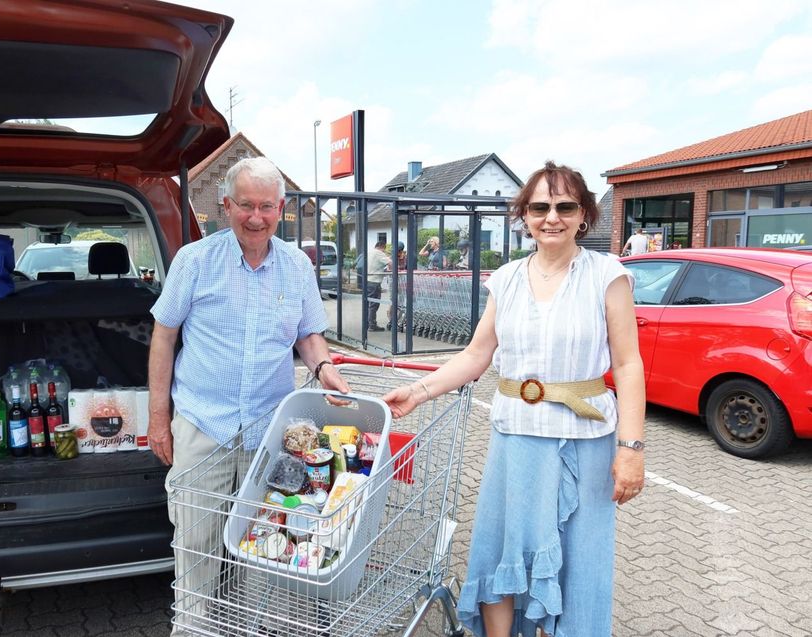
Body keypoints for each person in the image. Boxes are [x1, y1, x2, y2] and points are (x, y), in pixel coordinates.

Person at [382, 161, 645, 637]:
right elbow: (477, 354)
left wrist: (631, 450)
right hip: (515, 439)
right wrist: (418, 393)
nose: (552, 217)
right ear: (523, 215)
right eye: (540, 207)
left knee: (579, 561)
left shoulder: (607, 274)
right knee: (501, 548)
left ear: (584, 214)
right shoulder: (504, 279)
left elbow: (628, 366)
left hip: (585, 443)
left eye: (565, 207)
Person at [148, 156, 350, 635]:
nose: (255, 217)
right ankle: (195, 630)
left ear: (281, 208)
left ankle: (249, 627)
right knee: (195, 553)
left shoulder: (297, 266)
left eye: (266, 206)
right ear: (225, 205)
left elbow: (308, 335)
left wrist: (323, 368)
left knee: (262, 551)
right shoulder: (194, 261)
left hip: (269, 435)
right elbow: (163, 337)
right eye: (245, 205)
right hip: (203, 426)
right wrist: (159, 419)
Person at [365, 240, 391, 331]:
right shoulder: (379, 253)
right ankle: (372, 325)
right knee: (374, 304)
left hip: (367, 280)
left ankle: (367, 323)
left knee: (368, 303)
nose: (384, 251)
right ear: (382, 247)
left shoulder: (369, 252)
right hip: (375, 281)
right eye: (384, 249)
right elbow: (390, 263)